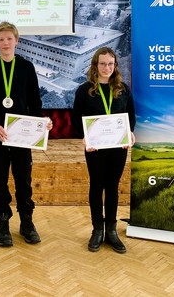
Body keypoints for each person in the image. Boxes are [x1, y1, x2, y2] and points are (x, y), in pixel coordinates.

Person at [0, 21, 53, 247]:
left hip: (22, 136)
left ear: (17, 41)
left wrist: (40, 124)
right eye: (1, 39)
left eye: (9, 38)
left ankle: (26, 222)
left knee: (23, 180)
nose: (5, 43)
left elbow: (35, 102)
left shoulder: (26, 67)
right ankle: (2, 223)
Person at [72, 47, 136, 254]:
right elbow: (76, 120)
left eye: (110, 64)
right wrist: (84, 137)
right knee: (96, 186)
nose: (106, 68)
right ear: (95, 65)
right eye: (102, 64)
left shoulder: (123, 89)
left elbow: (130, 116)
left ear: (115, 65)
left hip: (118, 147)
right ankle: (97, 230)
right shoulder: (84, 90)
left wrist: (129, 133)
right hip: (95, 148)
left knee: (112, 187)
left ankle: (111, 230)